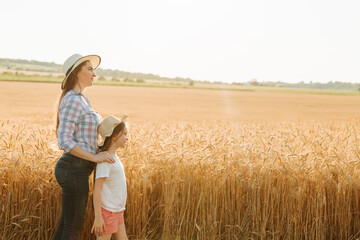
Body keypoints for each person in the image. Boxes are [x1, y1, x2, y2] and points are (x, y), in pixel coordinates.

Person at [54, 54, 115, 240]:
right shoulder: (73, 100)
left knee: (67, 225)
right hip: (73, 168)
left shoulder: (81, 99)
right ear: (76, 73)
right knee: (72, 227)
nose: (94, 74)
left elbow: (84, 136)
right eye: (89, 69)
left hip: (78, 169)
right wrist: (96, 157)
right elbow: (64, 140)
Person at [91, 115, 129, 240]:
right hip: (108, 212)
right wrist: (98, 217)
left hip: (118, 211)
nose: (126, 138)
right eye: (124, 134)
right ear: (114, 136)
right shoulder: (105, 159)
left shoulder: (113, 157)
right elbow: (97, 189)